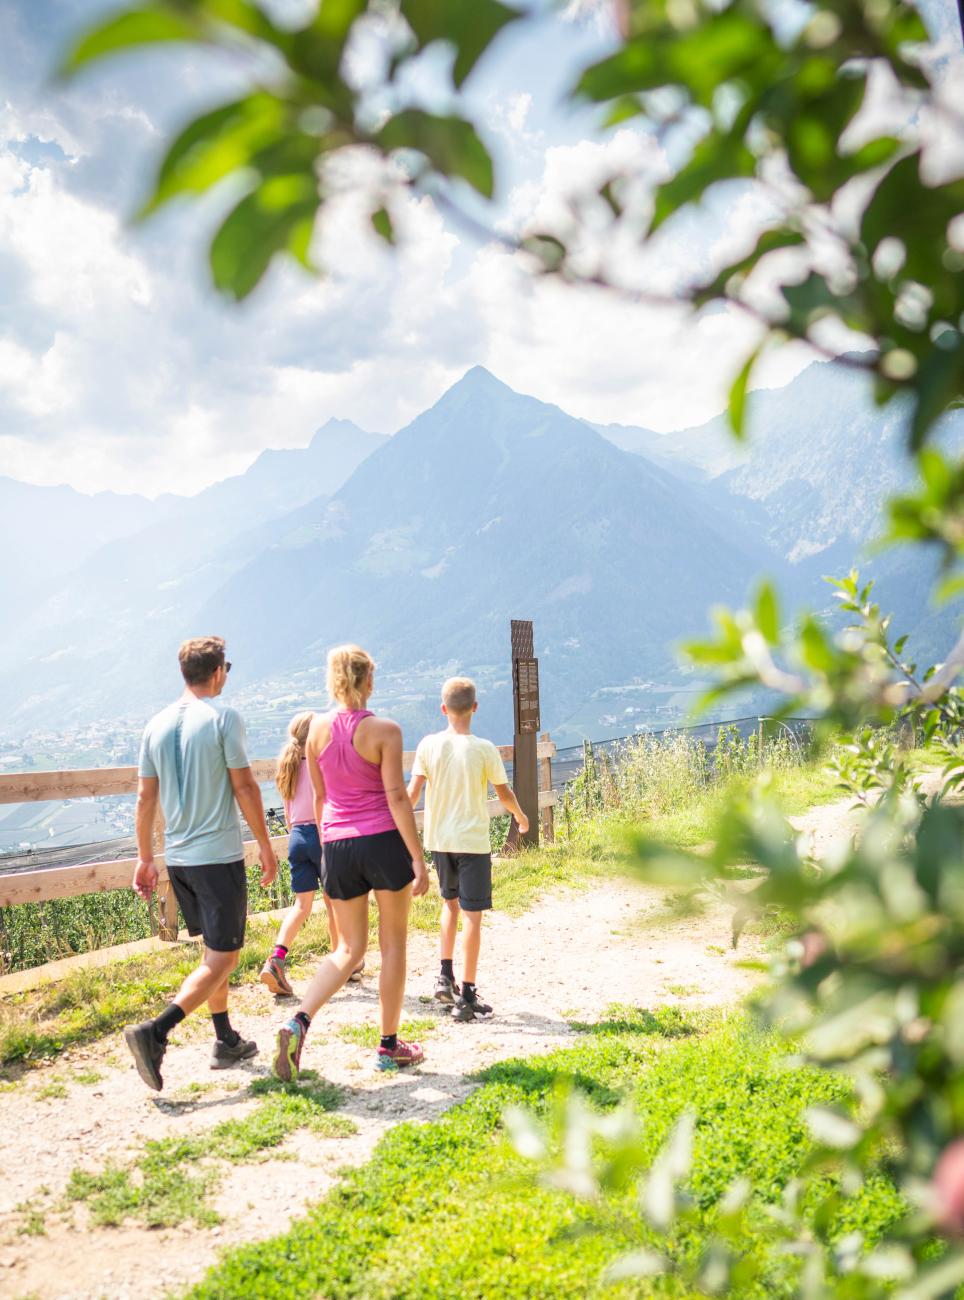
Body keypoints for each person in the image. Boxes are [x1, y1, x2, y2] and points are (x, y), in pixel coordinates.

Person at [123, 636, 279, 1091]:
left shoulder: (155, 725)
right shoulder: (223, 718)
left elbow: (144, 798)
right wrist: (266, 846)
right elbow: (246, 788)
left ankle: (225, 1038)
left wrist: (144, 857)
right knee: (225, 956)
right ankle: (155, 1032)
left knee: (212, 952)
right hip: (217, 856)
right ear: (217, 673)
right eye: (226, 668)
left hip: (180, 859)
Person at [274, 645, 429, 1079]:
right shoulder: (385, 731)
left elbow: (321, 798)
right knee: (393, 942)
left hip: (336, 844)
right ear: (369, 680)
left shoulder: (316, 732)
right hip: (381, 840)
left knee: (347, 948)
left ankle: (297, 1021)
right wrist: (418, 857)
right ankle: (388, 1046)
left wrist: (328, 851)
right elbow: (397, 797)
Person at [408, 676, 528, 1022]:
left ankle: (444, 975)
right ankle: (468, 995)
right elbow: (503, 794)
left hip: (439, 841)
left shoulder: (428, 745)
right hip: (472, 842)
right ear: (474, 708)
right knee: (472, 917)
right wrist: (520, 817)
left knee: (450, 905)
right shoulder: (484, 748)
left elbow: (412, 794)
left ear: (443, 709)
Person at [260, 711, 364, 997]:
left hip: (296, 838)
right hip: (321, 835)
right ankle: (342, 962)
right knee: (332, 903)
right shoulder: (321, 764)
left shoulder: (287, 765)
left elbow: (288, 811)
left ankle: (276, 959)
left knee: (301, 906)